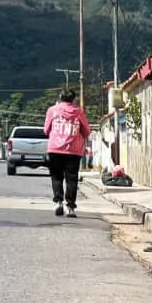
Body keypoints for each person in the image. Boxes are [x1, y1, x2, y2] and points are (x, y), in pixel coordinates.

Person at [44, 89, 91, 217]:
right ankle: (70, 207)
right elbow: (86, 131)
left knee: (56, 177)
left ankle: (58, 202)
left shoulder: (52, 110)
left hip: (55, 149)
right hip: (73, 151)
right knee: (72, 179)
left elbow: (46, 130)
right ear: (73, 99)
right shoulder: (79, 112)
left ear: (60, 98)